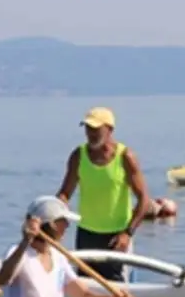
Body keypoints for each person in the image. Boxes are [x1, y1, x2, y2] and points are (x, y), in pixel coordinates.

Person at [0, 196, 133, 297]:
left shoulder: (58, 256)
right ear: (53, 224)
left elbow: (84, 296)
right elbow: (3, 279)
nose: (67, 226)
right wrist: (25, 242)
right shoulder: (18, 253)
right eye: (64, 221)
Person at [55, 106, 150, 282]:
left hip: (116, 236)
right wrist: (56, 215)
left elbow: (144, 200)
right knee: (86, 286)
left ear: (110, 130)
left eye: (96, 129)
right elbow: (65, 193)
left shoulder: (125, 157)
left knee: (117, 288)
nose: (90, 133)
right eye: (87, 128)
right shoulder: (78, 156)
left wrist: (127, 233)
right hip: (86, 235)